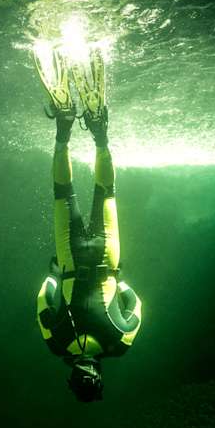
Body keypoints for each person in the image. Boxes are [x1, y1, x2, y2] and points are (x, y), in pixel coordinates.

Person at [34, 51, 143, 403]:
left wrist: (120, 282)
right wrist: (53, 276)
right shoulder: (56, 344)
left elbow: (136, 306)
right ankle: (65, 127)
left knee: (105, 192)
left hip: (108, 259)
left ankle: (98, 129)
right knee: (62, 193)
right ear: (72, 376)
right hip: (68, 260)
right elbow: (42, 299)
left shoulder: (119, 343)